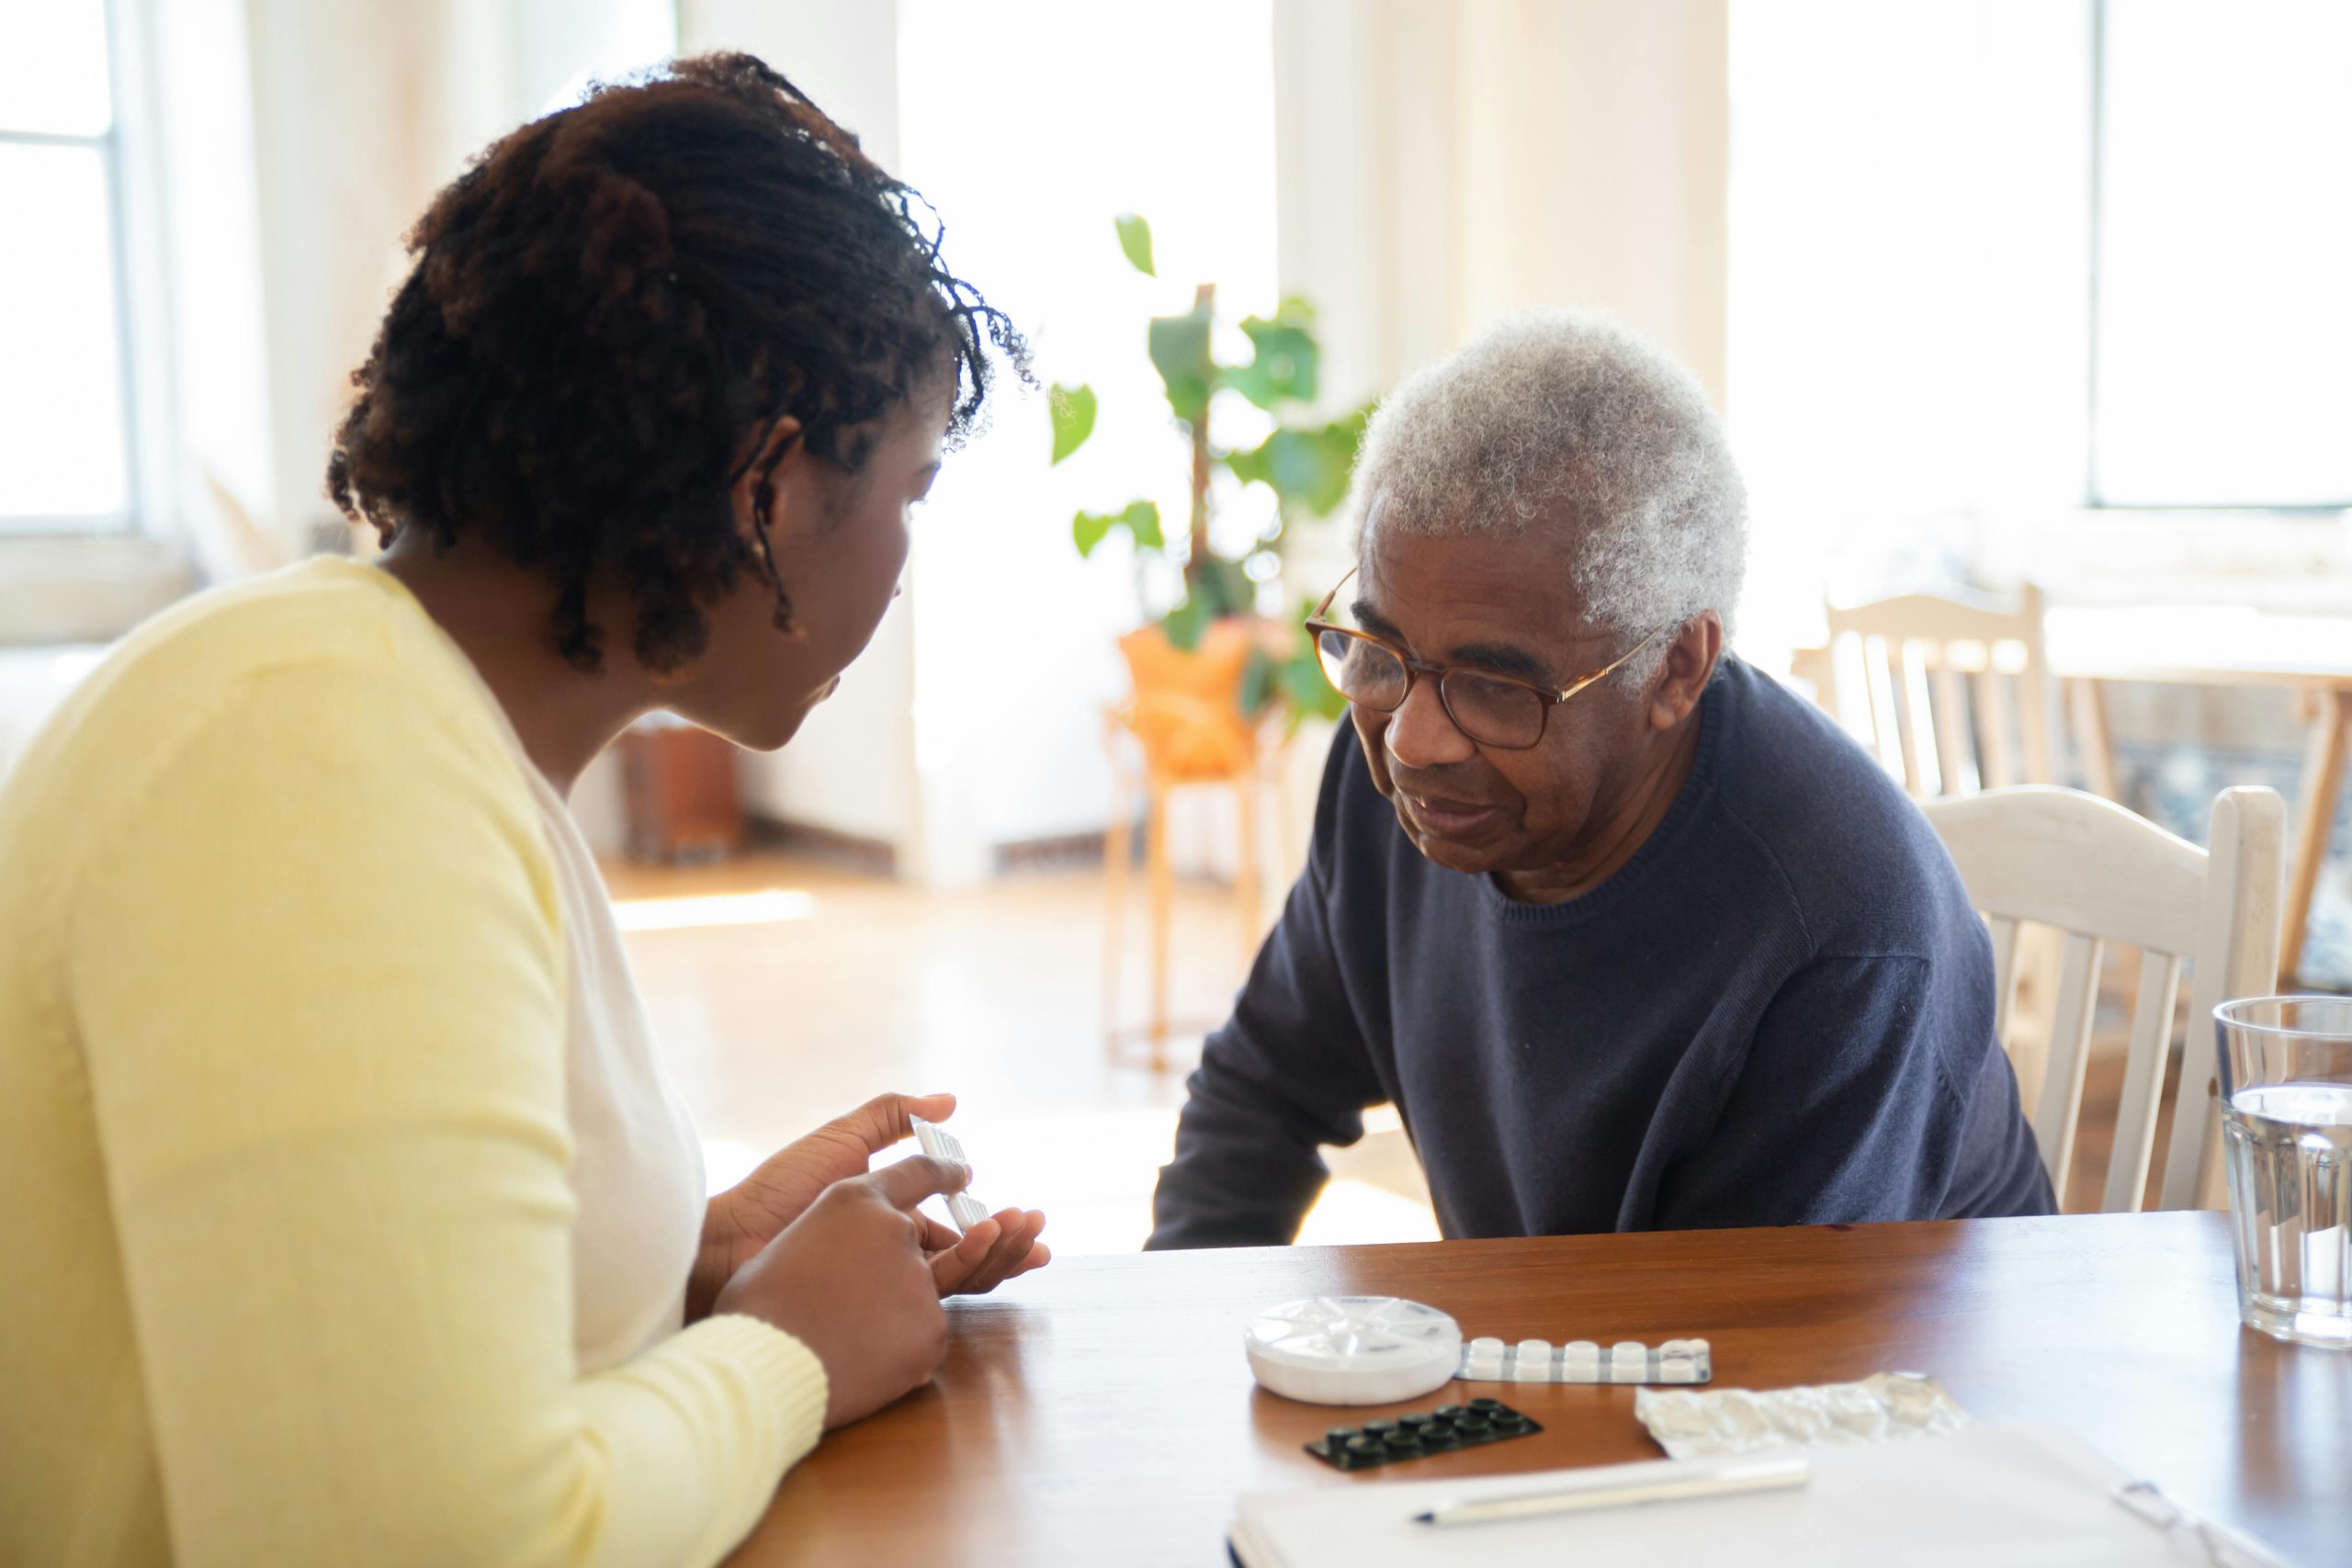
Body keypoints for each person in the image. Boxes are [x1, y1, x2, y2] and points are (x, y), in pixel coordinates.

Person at [0, 54, 1045, 1567]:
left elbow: (349, 1332)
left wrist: (682, 1277)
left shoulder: (382, 713)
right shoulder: (313, 759)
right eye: (911, 488)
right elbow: (420, 1539)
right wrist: (784, 1356)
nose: (902, 555)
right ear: (767, 491)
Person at [1148, 310, 2052, 1251]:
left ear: (1673, 669)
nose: (1412, 740)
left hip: (1882, 1385)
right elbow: (1258, 1098)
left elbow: (1734, 1368)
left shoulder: (1842, 932)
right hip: (1576, 1358)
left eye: (1493, 686)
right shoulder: (1389, 779)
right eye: (1379, 649)